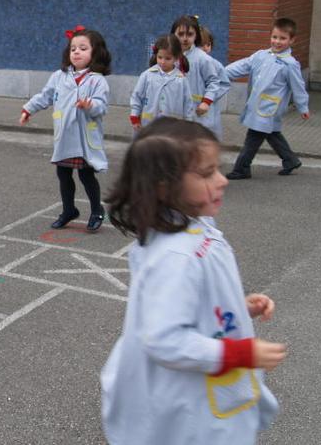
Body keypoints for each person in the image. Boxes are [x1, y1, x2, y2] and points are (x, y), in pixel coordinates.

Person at [100, 117, 286, 444]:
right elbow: (164, 337)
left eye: (218, 169)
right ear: (163, 185)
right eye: (206, 174)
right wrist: (240, 354)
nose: (223, 180)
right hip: (186, 402)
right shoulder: (176, 256)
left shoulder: (192, 228)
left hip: (203, 390)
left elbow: (187, 301)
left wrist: (235, 307)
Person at [20, 25, 111, 232]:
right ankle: (69, 209)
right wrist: (28, 109)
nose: (76, 52)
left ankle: (96, 210)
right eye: (73, 49)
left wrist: (91, 105)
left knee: (86, 175)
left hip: (83, 137)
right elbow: (45, 96)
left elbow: (102, 105)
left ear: (95, 53)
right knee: (63, 173)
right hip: (65, 136)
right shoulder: (59, 76)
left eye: (83, 48)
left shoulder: (97, 80)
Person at [225, 17, 311, 179]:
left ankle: (241, 168)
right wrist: (222, 73)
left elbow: (298, 87)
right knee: (271, 133)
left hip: (269, 108)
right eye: (275, 37)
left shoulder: (290, 64)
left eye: (283, 38)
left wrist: (303, 107)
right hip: (257, 104)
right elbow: (243, 66)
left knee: (254, 136)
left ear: (292, 40)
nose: (277, 42)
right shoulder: (261, 55)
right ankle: (290, 159)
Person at [171, 15, 231, 140]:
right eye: (180, 34)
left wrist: (206, 101)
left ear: (196, 36)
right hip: (175, 109)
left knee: (198, 142)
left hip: (198, 110)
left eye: (190, 34)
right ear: (173, 34)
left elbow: (215, 81)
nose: (185, 38)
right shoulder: (169, 55)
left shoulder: (203, 59)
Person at [129, 34, 195, 132]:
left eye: (168, 58)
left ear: (176, 58)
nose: (163, 62)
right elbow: (137, 96)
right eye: (160, 57)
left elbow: (188, 104)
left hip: (173, 129)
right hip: (148, 126)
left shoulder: (182, 80)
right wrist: (135, 116)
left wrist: (188, 124)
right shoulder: (147, 76)